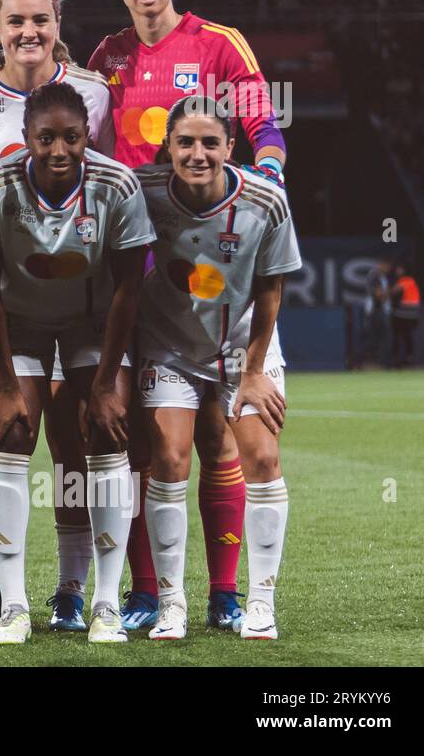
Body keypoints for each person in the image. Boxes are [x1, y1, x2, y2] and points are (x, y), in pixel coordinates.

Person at [88, 0, 290, 631]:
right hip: (140, 270)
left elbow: (265, 127)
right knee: (149, 443)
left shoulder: (217, 44)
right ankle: (149, 593)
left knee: (218, 437)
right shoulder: (107, 57)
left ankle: (227, 593)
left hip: (217, 265)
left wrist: (263, 186)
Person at [0, 0, 113, 634]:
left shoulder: (94, 93)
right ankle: (3, 588)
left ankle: (72, 588)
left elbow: (112, 187)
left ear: (57, 20)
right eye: (15, 21)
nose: (28, 32)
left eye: (40, 19)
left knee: (74, 440)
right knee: (5, 435)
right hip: (1, 300)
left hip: (83, 299)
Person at [0, 82, 155, 645]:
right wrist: (2, 380)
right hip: (16, 323)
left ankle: (104, 604)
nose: (59, 150)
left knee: (108, 430)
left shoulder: (116, 184)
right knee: (11, 432)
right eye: (45, 138)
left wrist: (103, 383)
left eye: (71, 137)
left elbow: (127, 291)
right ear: (26, 139)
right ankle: (15, 606)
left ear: (87, 136)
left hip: (91, 326)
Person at [134, 95, 301, 640]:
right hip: (170, 345)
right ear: (169, 147)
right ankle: (172, 604)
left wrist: (252, 371)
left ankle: (261, 603)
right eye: (185, 142)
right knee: (170, 458)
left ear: (232, 148)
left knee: (263, 457)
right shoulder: (145, 188)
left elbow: (272, 285)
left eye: (211, 142)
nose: (198, 153)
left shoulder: (266, 201)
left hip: (244, 346)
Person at [390, 263, 420, 368]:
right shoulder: (412, 281)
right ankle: (409, 358)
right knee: (408, 337)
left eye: (399, 269)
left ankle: (396, 360)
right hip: (413, 315)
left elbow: (393, 292)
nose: (397, 271)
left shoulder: (402, 281)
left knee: (397, 336)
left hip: (402, 314)